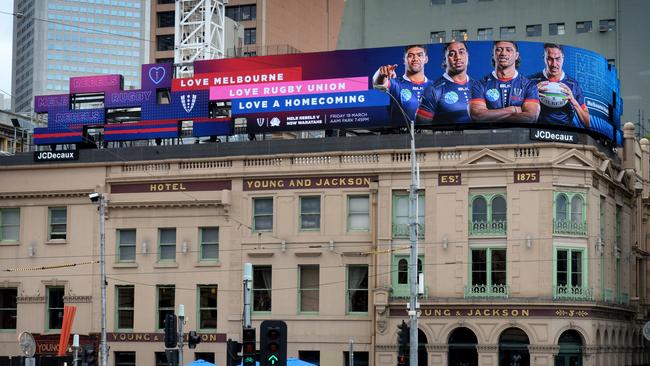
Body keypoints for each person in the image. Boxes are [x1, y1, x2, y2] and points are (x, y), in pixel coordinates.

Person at [469, 40, 540, 122]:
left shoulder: (529, 85)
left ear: (516, 55)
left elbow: (531, 117)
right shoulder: (479, 85)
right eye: (498, 49)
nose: (503, 53)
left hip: (519, 134)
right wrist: (513, 110)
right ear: (493, 55)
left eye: (508, 50)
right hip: (488, 134)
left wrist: (491, 116)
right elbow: (478, 116)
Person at [528, 43, 590, 128]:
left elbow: (587, 123)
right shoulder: (531, 82)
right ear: (544, 59)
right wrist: (532, 95)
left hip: (565, 135)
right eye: (549, 59)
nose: (554, 64)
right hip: (537, 133)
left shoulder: (573, 84)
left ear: (563, 58)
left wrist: (573, 101)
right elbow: (520, 115)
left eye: (557, 59)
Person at [416, 41, 474, 124]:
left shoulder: (477, 86)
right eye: (451, 54)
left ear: (467, 56)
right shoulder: (433, 90)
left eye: (461, 52)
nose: (458, 57)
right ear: (445, 60)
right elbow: (421, 128)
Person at [373, 44, 433, 124]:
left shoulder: (434, 86)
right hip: (400, 135)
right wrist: (381, 73)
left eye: (419, 55)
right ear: (404, 60)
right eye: (410, 56)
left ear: (426, 59)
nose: (415, 59)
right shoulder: (395, 83)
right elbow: (377, 84)